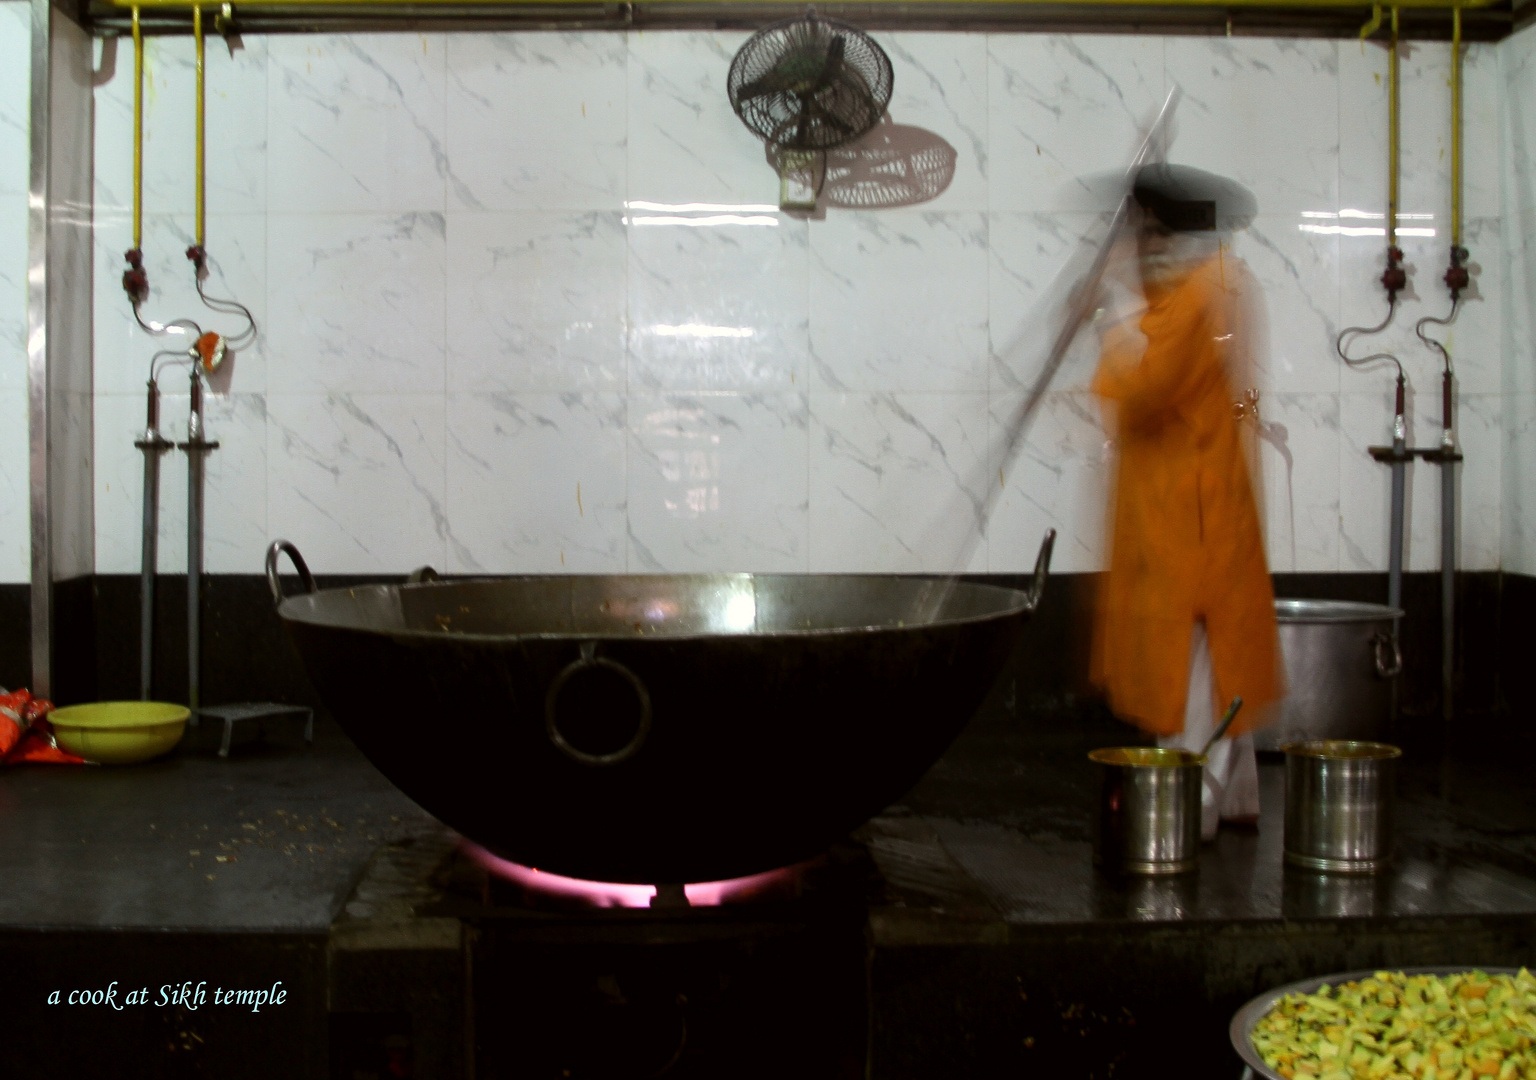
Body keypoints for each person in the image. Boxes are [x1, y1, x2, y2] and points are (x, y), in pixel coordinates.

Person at [1089, 164, 1283, 842]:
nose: (1143, 248)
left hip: (1192, 526)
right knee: (1216, 663)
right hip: (1197, 513)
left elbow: (1145, 390)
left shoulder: (1199, 295)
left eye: (1148, 234)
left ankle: (1187, 816)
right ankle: (1235, 803)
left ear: (1169, 233)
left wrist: (1116, 320)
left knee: (1197, 676)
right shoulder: (1215, 286)